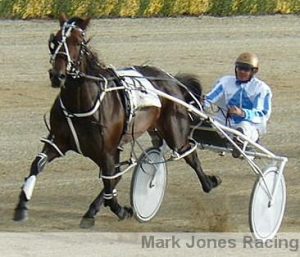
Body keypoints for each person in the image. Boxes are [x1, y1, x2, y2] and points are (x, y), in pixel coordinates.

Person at [204, 52, 272, 157]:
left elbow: (262, 114)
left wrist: (243, 113)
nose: (241, 72)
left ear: (254, 71)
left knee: (243, 127)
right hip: (227, 124)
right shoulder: (225, 82)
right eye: (239, 68)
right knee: (206, 120)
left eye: (246, 69)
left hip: (250, 127)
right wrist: (198, 103)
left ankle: (238, 142)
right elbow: (210, 98)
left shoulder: (261, 89)